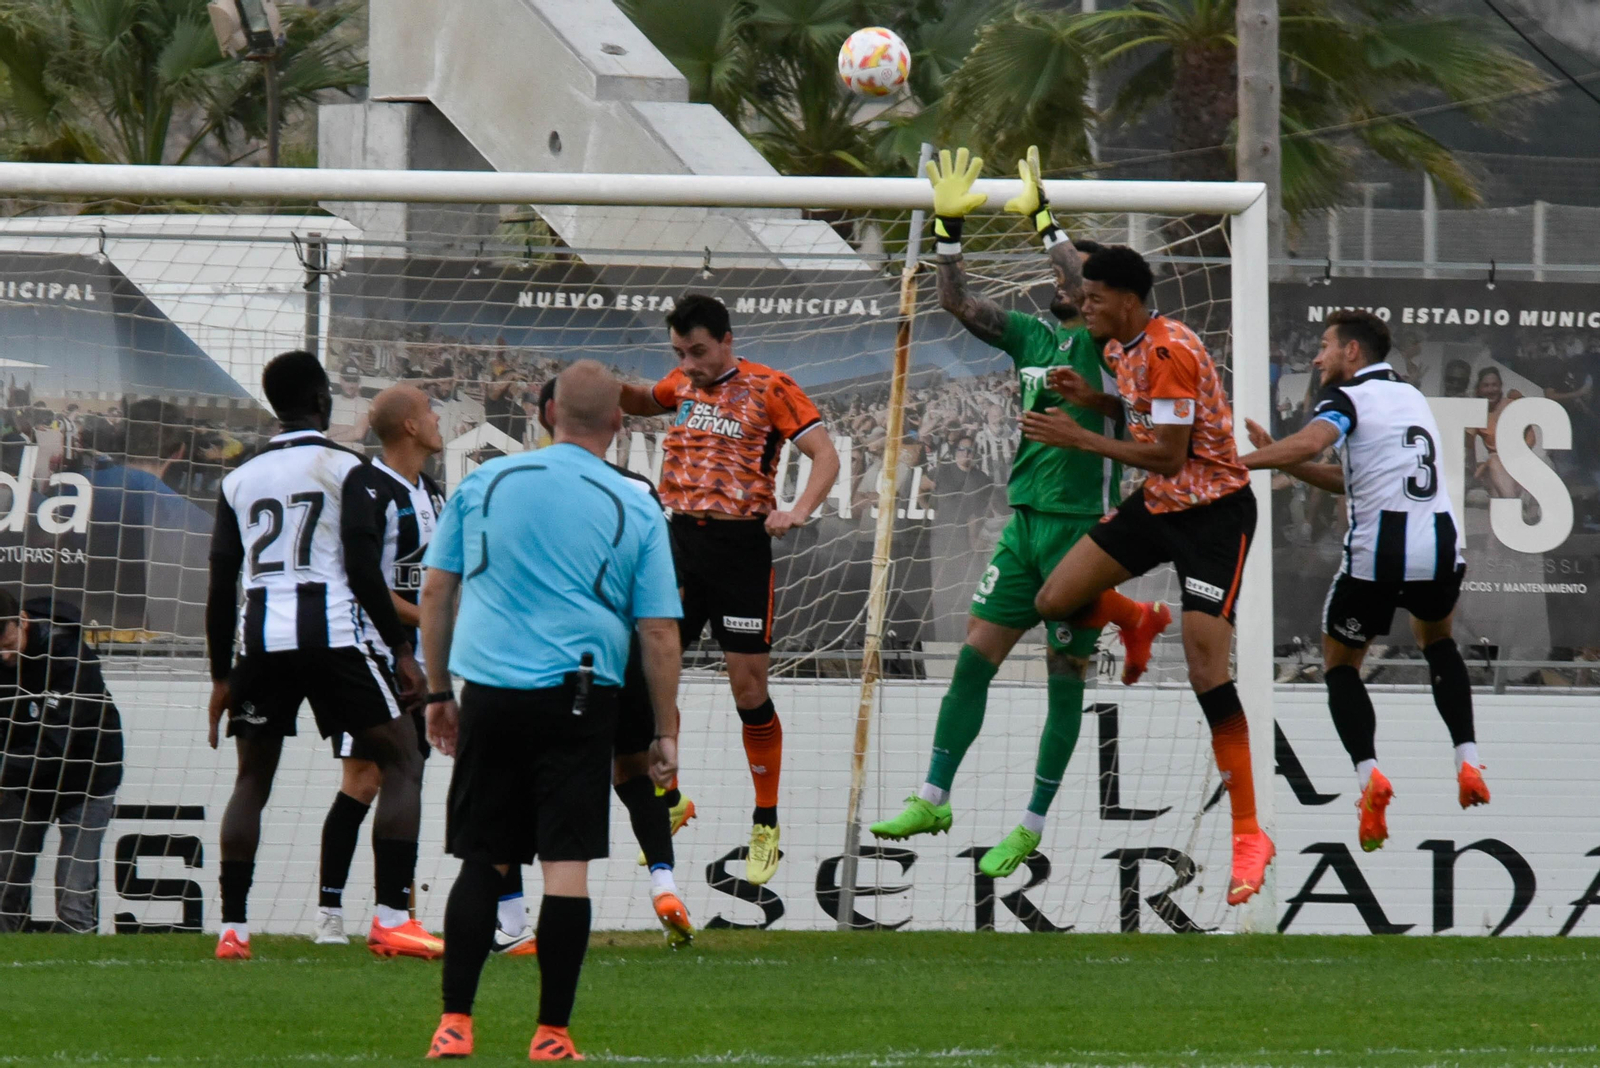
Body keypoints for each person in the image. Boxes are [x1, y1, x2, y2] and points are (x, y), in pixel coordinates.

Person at [869, 147, 1168, 877]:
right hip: (1024, 522)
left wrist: (1043, 219)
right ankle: (933, 796)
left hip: (1080, 529)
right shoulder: (1034, 337)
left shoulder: (1113, 342)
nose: (1071, 285)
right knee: (976, 658)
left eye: (1085, 280)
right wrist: (947, 232)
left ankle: (1030, 824)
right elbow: (957, 304)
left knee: (1063, 676)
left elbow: (1073, 273)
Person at [419, 361, 682, 1061]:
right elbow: (658, 631)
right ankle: (552, 1033)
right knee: (566, 867)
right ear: (620, 425)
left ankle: (455, 1023)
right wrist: (664, 730)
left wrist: (439, 693)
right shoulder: (635, 503)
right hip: (582, 695)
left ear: (547, 416)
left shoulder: (485, 481)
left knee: (485, 860)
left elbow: (437, 593)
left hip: (492, 692)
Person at [1022, 245, 1273, 907]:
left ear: (1127, 300)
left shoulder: (1168, 351)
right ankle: (1135, 621)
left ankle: (1249, 832)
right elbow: (1143, 422)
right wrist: (1095, 401)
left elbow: (1165, 455)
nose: (1083, 306)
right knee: (1055, 599)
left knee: (1204, 669)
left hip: (1214, 516)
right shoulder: (1118, 346)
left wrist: (1080, 436)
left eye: (1094, 297)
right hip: (1160, 507)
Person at [205, 350, 432, 962]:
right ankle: (390, 919)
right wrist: (404, 651)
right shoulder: (348, 468)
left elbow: (221, 580)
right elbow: (361, 568)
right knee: (404, 759)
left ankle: (233, 930)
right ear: (323, 401)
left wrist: (221, 676)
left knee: (252, 779)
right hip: (333, 637)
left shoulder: (238, 478)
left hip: (262, 643)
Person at [1240, 310, 1489, 852]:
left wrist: (1242, 462)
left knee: (1340, 666)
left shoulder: (1345, 398)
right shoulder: (1409, 397)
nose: (1317, 356)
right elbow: (1348, 477)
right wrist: (1275, 460)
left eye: (1325, 346)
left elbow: (1311, 444)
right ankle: (1467, 759)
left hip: (1379, 555)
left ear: (1352, 352)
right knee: (1438, 641)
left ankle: (1369, 778)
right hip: (1439, 546)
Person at [619, 293, 841, 886]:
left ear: (726, 341)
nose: (688, 363)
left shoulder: (771, 386)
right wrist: (597, 387)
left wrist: (797, 509)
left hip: (741, 549)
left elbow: (825, 455)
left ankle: (765, 822)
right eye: (679, 352)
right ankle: (671, 802)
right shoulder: (681, 382)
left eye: (697, 351)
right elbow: (645, 400)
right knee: (652, 678)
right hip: (676, 548)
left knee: (748, 689)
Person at [531, 375, 692, 947]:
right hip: (621, 651)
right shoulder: (640, 491)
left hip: (544, 658)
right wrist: (666, 716)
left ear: (547, 416)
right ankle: (664, 882)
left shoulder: (519, 486)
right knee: (633, 770)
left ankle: (510, 919)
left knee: (535, 776)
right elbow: (663, 596)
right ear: (616, 421)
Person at [311, 385, 450, 946]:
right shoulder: (368, 485)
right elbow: (362, 580)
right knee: (366, 778)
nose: (439, 419)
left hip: (419, 658)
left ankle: (392, 912)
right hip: (369, 651)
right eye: (431, 412)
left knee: (391, 775)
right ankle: (342, 916)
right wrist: (427, 623)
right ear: (411, 427)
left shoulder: (434, 493)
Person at [0, 591, 122, 932]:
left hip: (87, 780)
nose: (5, 655)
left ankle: (84, 978)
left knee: (73, 896)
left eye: (7, 642)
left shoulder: (71, 658)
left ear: (22, 621)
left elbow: (55, 749)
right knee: (4, 885)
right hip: (24, 777)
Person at [328, 364, 370, 445]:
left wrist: (331, 436)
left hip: (354, 451)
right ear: (340, 380)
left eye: (354, 380)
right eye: (347, 380)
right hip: (329, 450)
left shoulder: (364, 405)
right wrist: (349, 428)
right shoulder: (330, 401)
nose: (351, 385)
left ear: (358, 382)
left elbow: (358, 434)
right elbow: (322, 430)